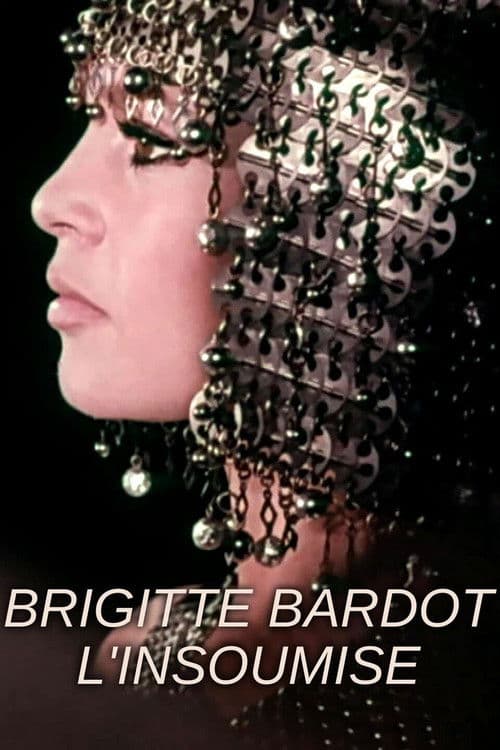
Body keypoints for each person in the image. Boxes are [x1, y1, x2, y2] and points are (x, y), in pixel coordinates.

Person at [31, 1, 498, 747]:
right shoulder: (157, 650)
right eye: (89, 119)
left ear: (351, 219)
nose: (52, 201)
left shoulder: (422, 699)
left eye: (151, 139)